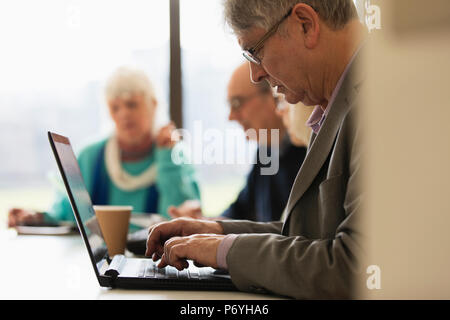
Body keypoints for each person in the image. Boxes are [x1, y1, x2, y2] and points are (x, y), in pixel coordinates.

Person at [145, 0, 366, 299]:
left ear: (305, 24)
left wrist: (225, 249)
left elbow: (354, 266)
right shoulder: (334, 108)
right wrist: (214, 233)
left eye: (255, 51)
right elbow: (305, 238)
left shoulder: (380, 101)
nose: (255, 74)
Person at [8, 66, 200, 229]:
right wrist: (34, 218)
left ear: (154, 105)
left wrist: (167, 159)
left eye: (132, 104)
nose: (124, 114)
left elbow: (178, 223)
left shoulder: (176, 156)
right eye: (115, 107)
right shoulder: (89, 156)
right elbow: (67, 215)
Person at [168, 62, 308, 222]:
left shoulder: (309, 152)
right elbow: (238, 213)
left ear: (273, 94)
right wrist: (200, 222)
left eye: (237, 103)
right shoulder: (267, 150)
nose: (231, 116)